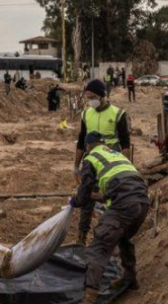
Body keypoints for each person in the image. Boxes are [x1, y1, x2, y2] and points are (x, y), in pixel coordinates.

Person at [69, 132, 149, 304]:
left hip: (124, 204)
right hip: (142, 202)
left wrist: (75, 201)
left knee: (100, 244)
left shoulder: (91, 157)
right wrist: (95, 196)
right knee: (122, 235)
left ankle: (90, 296)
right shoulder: (115, 155)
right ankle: (130, 278)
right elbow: (115, 187)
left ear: (89, 146)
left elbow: (83, 196)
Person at [74, 79, 131, 245]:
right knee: (86, 200)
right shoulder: (86, 114)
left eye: (92, 97)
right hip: (90, 165)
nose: (90, 100)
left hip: (109, 167)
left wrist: (125, 168)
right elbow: (80, 141)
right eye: (87, 97)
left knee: (110, 202)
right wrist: (75, 166)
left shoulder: (117, 114)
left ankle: (111, 239)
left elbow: (125, 143)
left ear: (102, 96)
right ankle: (81, 237)